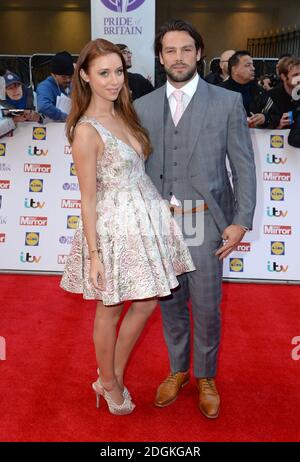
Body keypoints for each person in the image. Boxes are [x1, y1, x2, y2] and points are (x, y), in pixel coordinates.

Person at [60, 38, 195, 415]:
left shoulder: (126, 114)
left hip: (145, 217)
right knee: (111, 307)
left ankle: (111, 376)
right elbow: (87, 198)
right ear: (85, 76)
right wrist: (95, 255)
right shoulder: (86, 131)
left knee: (148, 301)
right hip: (114, 227)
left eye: (118, 71)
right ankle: (109, 381)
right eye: (103, 73)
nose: (114, 80)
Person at [134, 19, 256, 419]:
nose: (179, 57)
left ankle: (206, 375)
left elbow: (244, 166)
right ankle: (178, 370)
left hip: (205, 219)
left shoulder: (225, 103)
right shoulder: (143, 106)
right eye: (170, 50)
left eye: (186, 49)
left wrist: (240, 221)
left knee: (206, 305)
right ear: (160, 56)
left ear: (199, 53)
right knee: (169, 303)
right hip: (162, 223)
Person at [219, 50, 280, 128]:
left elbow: (276, 115)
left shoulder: (259, 91)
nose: (253, 68)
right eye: (248, 65)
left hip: (255, 137)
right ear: (234, 69)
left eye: (253, 65)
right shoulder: (219, 91)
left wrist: (265, 118)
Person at [37, 51, 74, 121]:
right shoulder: (45, 87)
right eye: (64, 77)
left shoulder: (73, 85)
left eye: (70, 76)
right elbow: (43, 106)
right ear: (53, 75)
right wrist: (65, 118)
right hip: (53, 128)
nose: (68, 80)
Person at [268, 56, 300, 129]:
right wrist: (279, 126)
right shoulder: (271, 97)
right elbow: (261, 129)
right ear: (283, 77)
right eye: (295, 75)